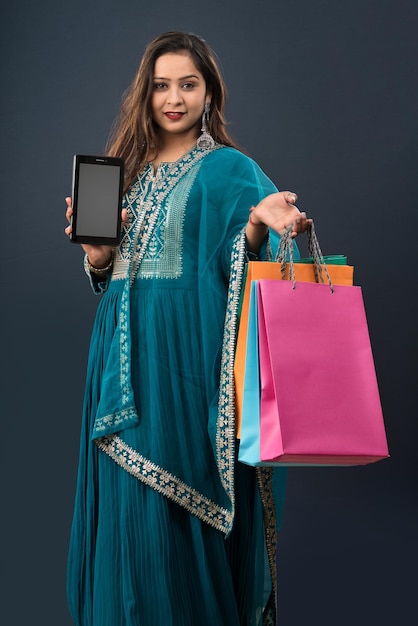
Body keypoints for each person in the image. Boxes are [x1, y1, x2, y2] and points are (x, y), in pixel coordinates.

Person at [65, 31, 311, 626]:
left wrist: (258, 222)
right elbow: (114, 273)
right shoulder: (127, 171)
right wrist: (98, 254)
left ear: (209, 94)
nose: (173, 97)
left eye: (188, 84)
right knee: (123, 519)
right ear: (144, 96)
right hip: (119, 366)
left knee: (172, 526)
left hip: (186, 367)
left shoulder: (231, 170)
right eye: (160, 85)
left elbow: (238, 266)